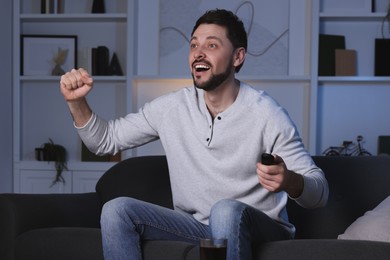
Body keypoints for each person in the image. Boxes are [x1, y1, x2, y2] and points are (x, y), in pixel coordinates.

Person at [60, 9, 328, 260]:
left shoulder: (267, 114)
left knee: (225, 210)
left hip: (262, 229)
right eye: (193, 45)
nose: (198, 53)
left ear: (237, 57)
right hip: (198, 228)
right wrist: (76, 103)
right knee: (116, 210)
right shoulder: (172, 107)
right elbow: (106, 141)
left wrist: (289, 180)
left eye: (211, 45)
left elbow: (320, 193)